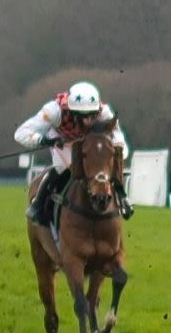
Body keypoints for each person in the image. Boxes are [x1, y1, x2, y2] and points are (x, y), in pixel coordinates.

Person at [16, 80, 131, 227]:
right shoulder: (53, 111)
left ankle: (122, 198)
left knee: (102, 168)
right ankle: (38, 204)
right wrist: (42, 140)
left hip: (89, 143)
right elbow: (21, 133)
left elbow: (117, 135)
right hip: (62, 140)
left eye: (92, 115)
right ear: (71, 111)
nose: (89, 121)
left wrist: (118, 152)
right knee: (65, 168)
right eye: (83, 116)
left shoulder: (104, 111)